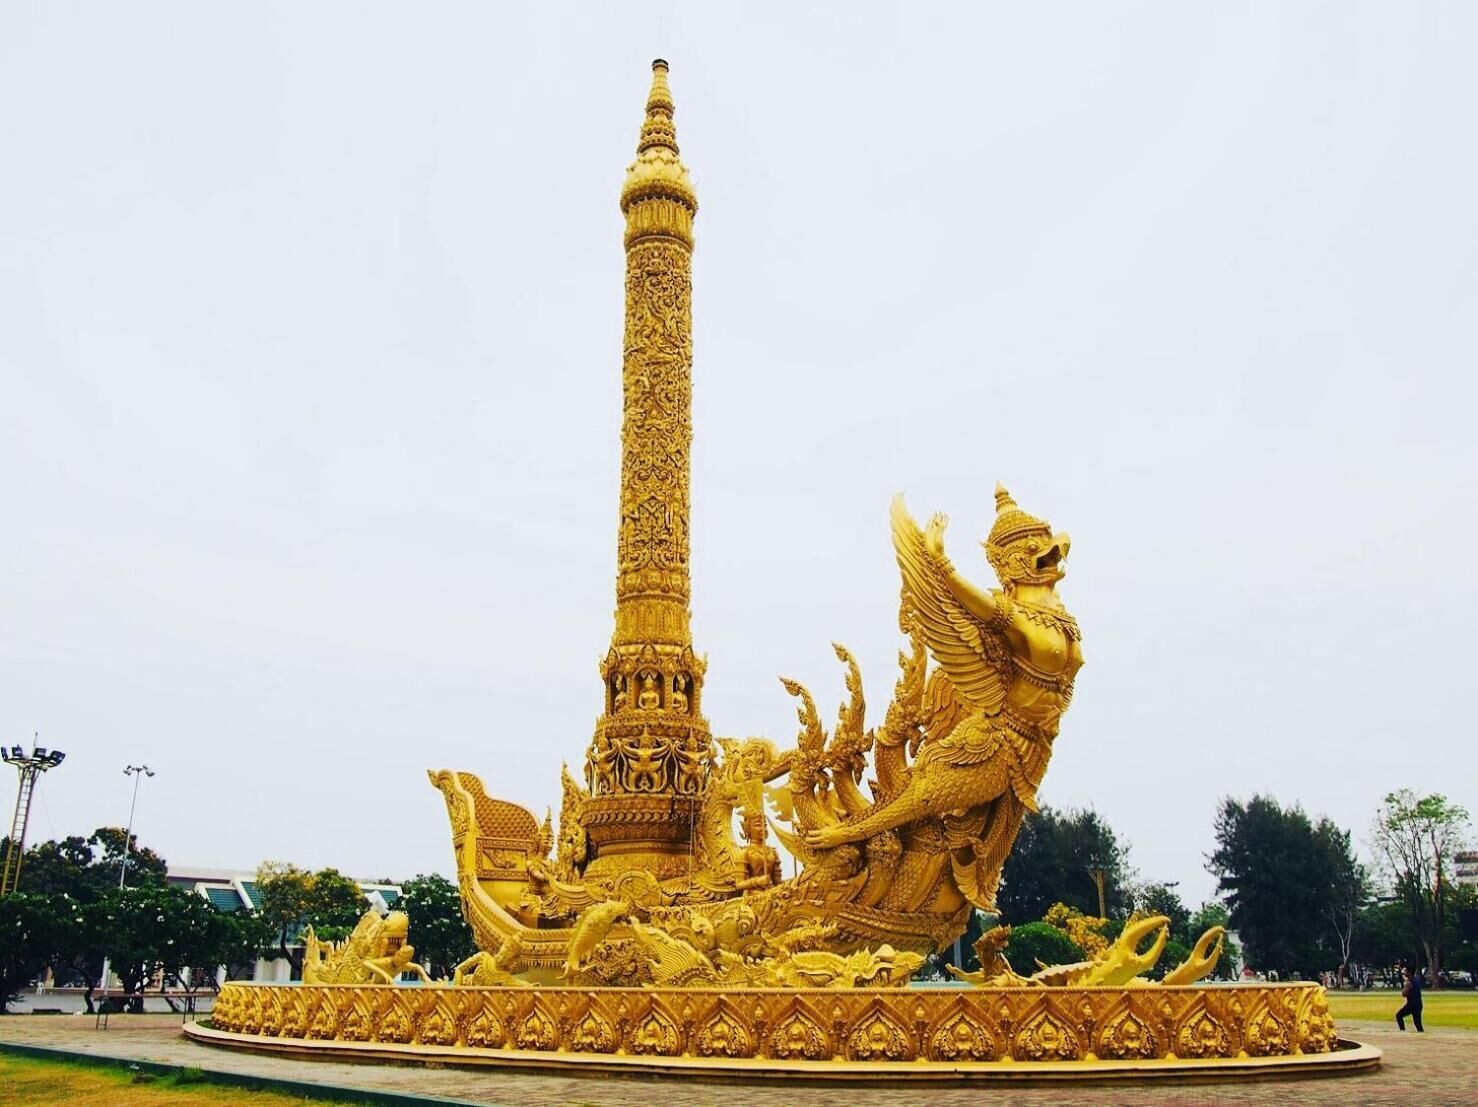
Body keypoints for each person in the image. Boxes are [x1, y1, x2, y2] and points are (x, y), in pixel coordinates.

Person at [1395, 965, 1424, 1032]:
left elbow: (1404, 994)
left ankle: (1402, 1031)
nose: (1404, 973)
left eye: (1406, 971)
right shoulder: (1416, 980)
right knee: (1418, 1023)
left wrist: (1405, 984)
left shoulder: (1409, 983)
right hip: (1419, 1004)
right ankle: (1421, 1033)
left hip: (1411, 1005)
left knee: (1399, 1015)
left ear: (1409, 972)